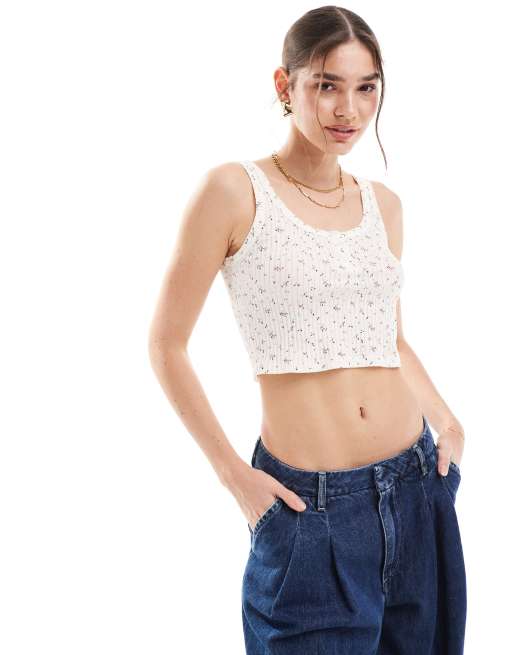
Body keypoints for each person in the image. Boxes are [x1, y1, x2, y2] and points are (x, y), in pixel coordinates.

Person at [148, 6, 466, 653]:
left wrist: (448, 420)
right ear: (284, 85)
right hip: (308, 510)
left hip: (414, 489)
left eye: (366, 87)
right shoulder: (234, 191)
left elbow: (387, 339)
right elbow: (166, 343)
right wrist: (233, 476)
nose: (348, 109)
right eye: (326, 85)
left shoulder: (383, 205)